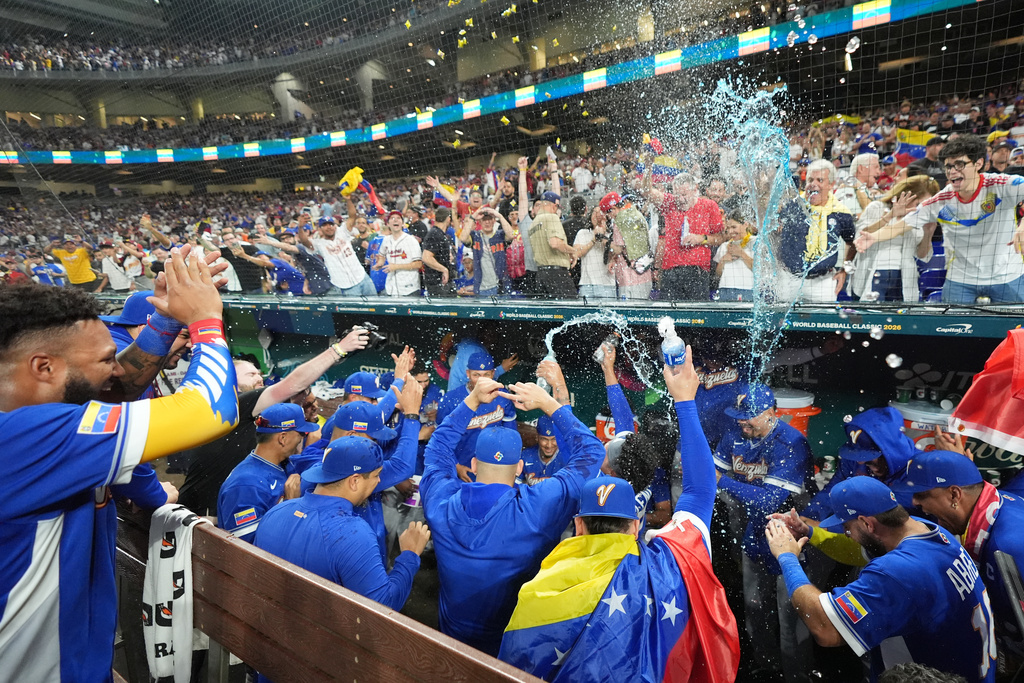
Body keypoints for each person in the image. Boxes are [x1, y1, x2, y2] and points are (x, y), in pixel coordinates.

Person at [0, 251, 239, 681]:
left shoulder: (28, 419)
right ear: (44, 368)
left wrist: (165, 324)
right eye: (107, 358)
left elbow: (116, 389)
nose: (117, 369)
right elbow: (211, 410)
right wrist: (205, 320)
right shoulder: (27, 437)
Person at [499, 356, 740, 682]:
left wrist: (555, 398)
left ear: (579, 523)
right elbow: (699, 491)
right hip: (635, 570)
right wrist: (684, 399)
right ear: (637, 524)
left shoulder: (542, 587)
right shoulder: (667, 567)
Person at [420, 367, 605, 656]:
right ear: (519, 468)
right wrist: (549, 403)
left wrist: (471, 401)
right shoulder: (537, 506)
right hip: (513, 648)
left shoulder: (441, 502)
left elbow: (436, 449)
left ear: (474, 463)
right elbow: (593, 452)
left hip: (452, 644)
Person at [766, 477, 997, 682]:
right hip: (970, 669)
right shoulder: (931, 531)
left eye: (847, 528)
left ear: (868, 523)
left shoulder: (896, 572)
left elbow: (825, 628)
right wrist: (809, 532)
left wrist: (787, 557)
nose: (848, 535)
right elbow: (859, 550)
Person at [254, 437, 430, 683]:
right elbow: (382, 608)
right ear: (355, 481)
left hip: (272, 659)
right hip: (322, 665)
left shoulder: (276, 513)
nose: (380, 481)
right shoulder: (351, 532)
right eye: (377, 475)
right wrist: (409, 556)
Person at [177, 326, 370, 516]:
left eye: (260, 374)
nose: (259, 379)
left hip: (220, 513)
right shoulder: (234, 405)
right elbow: (292, 384)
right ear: (230, 381)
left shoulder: (250, 414)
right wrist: (339, 349)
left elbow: (298, 390)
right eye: (251, 375)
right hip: (200, 517)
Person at [714, 385, 814, 682]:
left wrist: (724, 482)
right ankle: (765, 667)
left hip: (791, 538)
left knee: (790, 617)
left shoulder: (791, 441)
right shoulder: (736, 434)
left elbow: (770, 502)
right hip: (753, 535)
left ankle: (797, 676)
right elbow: (710, 472)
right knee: (755, 607)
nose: (742, 424)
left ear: (771, 414)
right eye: (739, 418)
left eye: (749, 418)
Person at [857, 135, 1024, 303]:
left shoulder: (1002, 184)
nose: (952, 171)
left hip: (1007, 276)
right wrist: (873, 237)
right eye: (948, 166)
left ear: (978, 163)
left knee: (1015, 328)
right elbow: (901, 226)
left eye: (959, 165)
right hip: (961, 280)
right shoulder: (941, 200)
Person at [898, 449, 1024, 667]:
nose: (916, 502)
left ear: (955, 494)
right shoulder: (994, 509)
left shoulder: (1006, 545)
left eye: (922, 494)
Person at [216, 402, 319, 540]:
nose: (303, 438)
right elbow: (247, 549)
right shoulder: (246, 485)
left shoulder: (281, 463)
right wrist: (290, 505)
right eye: (302, 433)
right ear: (283, 438)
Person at [775, 160, 856, 302]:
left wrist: (844, 271)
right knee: (782, 322)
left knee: (823, 322)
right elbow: (775, 234)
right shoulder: (792, 207)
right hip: (789, 280)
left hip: (823, 283)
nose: (813, 184)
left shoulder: (841, 213)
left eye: (820, 180)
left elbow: (852, 243)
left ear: (831, 185)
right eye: (810, 179)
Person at [848, 175, 940, 302]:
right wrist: (891, 216)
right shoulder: (877, 207)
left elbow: (922, 255)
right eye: (919, 203)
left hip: (902, 280)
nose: (920, 208)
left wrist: (928, 234)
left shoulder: (918, 218)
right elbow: (861, 235)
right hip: (871, 274)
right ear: (909, 194)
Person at [435, 351, 518, 482]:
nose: (482, 380)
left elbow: (511, 435)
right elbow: (440, 440)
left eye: (486, 374)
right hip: (461, 469)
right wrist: (455, 465)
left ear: (493, 373)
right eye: (476, 375)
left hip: (492, 467)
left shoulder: (502, 396)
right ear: (468, 374)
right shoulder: (450, 400)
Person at [643, 172, 724, 301]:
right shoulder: (670, 202)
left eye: (684, 195)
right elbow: (647, 191)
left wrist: (701, 238)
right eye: (677, 195)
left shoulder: (709, 206)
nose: (681, 199)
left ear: (695, 190)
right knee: (668, 317)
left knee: (697, 317)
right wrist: (648, 168)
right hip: (670, 271)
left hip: (698, 272)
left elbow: (720, 238)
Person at [296, 212, 376, 296]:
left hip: (362, 277)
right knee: (356, 309)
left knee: (375, 305)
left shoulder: (343, 233)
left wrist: (348, 199)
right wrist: (300, 227)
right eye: (325, 225)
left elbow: (352, 216)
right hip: (345, 286)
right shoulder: (319, 244)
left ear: (335, 226)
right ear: (320, 229)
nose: (328, 227)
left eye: (330, 224)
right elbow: (305, 242)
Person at [598, 191, 654, 300]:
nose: (608, 217)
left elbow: (618, 249)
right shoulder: (637, 214)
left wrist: (603, 240)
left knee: (630, 314)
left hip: (629, 278)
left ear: (613, 208)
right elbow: (631, 246)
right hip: (644, 272)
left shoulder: (619, 220)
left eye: (607, 213)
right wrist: (615, 259)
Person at [528, 191, 578, 299]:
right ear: (555, 206)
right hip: (557, 274)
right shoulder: (551, 217)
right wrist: (573, 251)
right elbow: (555, 243)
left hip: (540, 275)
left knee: (549, 313)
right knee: (570, 310)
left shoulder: (532, 224)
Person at [458, 206, 515, 296]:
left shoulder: (500, 235)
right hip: (481, 288)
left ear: (494, 221)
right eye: (484, 220)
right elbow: (462, 238)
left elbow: (512, 235)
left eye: (490, 219)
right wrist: (473, 217)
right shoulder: (475, 236)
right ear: (480, 221)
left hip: (500, 287)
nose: (487, 222)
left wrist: (499, 216)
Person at [373, 210, 422, 297]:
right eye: (392, 218)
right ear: (388, 224)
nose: (395, 220)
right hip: (391, 288)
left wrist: (396, 266)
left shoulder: (411, 240)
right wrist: (380, 263)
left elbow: (418, 264)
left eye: (398, 218)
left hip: (409, 289)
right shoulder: (386, 240)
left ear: (403, 223)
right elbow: (382, 255)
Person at [573, 203, 616, 299]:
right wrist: (594, 240)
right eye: (594, 213)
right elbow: (577, 253)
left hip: (607, 285)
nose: (597, 216)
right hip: (586, 284)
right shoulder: (583, 233)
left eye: (600, 213)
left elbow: (614, 254)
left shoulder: (612, 235)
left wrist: (603, 236)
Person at [714, 210, 756, 301]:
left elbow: (760, 271)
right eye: (728, 228)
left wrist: (741, 254)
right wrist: (722, 261)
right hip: (725, 289)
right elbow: (717, 276)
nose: (730, 231)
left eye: (734, 227)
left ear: (746, 224)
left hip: (748, 289)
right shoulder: (724, 246)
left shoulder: (756, 242)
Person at [421, 207, 456, 297]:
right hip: (438, 284)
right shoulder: (435, 234)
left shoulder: (439, 234)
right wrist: (444, 269)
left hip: (441, 283)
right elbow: (426, 257)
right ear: (448, 219)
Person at [521, 416, 564, 484]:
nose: (549, 445)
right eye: (544, 439)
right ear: (537, 437)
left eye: (554, 439)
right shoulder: (525, 456)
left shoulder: (568, 458)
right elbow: (515, 487)